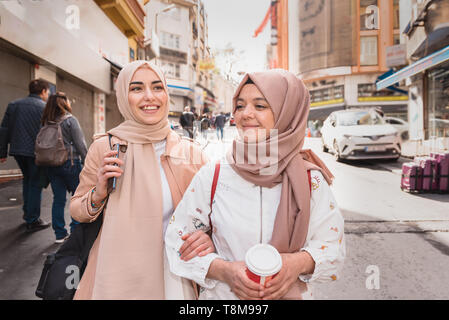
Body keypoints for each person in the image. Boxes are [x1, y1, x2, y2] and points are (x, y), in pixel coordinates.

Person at [165, 69, 345, 300]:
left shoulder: (310, 180)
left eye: (260, 106)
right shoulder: (215, 174)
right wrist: (223, 270)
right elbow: (176, 239)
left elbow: (334, 249)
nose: (245, 114)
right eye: (240, 106)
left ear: (286, 113)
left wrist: (297, 263)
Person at [69, 60, 214, 299]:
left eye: (157, 87)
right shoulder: (104, 147)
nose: (149, 96)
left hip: (173, 277)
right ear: (124, 96)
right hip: (115, 274)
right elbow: (77, 210)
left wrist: (207, 238)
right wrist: (98, 193)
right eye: (136, 89)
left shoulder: (191, 152)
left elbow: (214, 217)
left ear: (167, 94)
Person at [0, 79, 51, 232]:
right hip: (36, 153)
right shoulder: (45, 108)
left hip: (18, 151)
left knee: (27, 180)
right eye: (47, 92)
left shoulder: (14, 105)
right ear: (42, 91)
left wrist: (2, 152)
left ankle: (28, 214)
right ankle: (32, 219)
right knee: (35, 184)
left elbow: (4, 130)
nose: (47, 95)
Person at [40, 92, 88, 243]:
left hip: (52, 164)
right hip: (71, 163)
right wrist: (87, 162)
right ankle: (75, 231)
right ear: (65, 103)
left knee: (58, 199)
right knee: (77, 197)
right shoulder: (70, 121)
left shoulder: (47, 122)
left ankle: (59, 234)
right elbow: (80, 144)